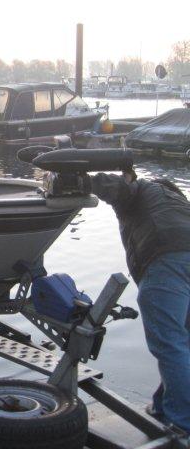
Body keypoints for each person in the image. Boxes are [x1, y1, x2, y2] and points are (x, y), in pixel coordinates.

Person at [92, 169, 190, 433]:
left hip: (165, 261)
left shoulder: (139, 189)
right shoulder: (176, 199)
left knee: (170, 345)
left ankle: (183, 424)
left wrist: (78, 180)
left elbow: (118, 186)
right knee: (183, 343)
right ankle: (162, 407)